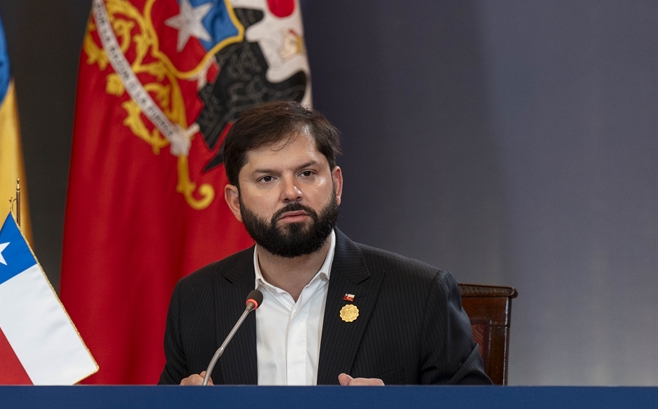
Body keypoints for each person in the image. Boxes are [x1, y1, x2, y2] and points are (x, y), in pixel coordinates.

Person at [159, 101, 491, 386]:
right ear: (235, 202)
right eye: (267, 179)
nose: (291, 192)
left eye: (306, 173)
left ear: (336, 184)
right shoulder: (196, 300)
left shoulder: (419, 294)